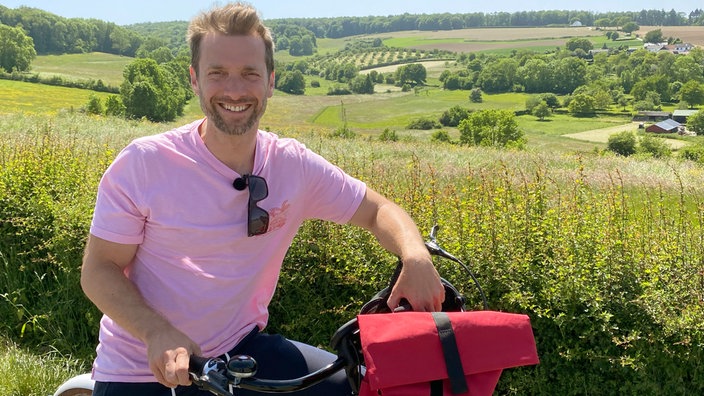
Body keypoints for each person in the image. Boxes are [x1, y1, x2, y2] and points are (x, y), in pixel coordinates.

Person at [80, 3, 445, 395]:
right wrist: (156, 332)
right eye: (217, 73)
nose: (234, 90)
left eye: (249, 74)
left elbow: (379, 210)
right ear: (194, 79)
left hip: (241, 351)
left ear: (270, 81)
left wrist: (416, 255)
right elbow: (99, 270)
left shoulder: (292, 165)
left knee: (357, 384)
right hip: (144, 370)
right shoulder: (146, 163)